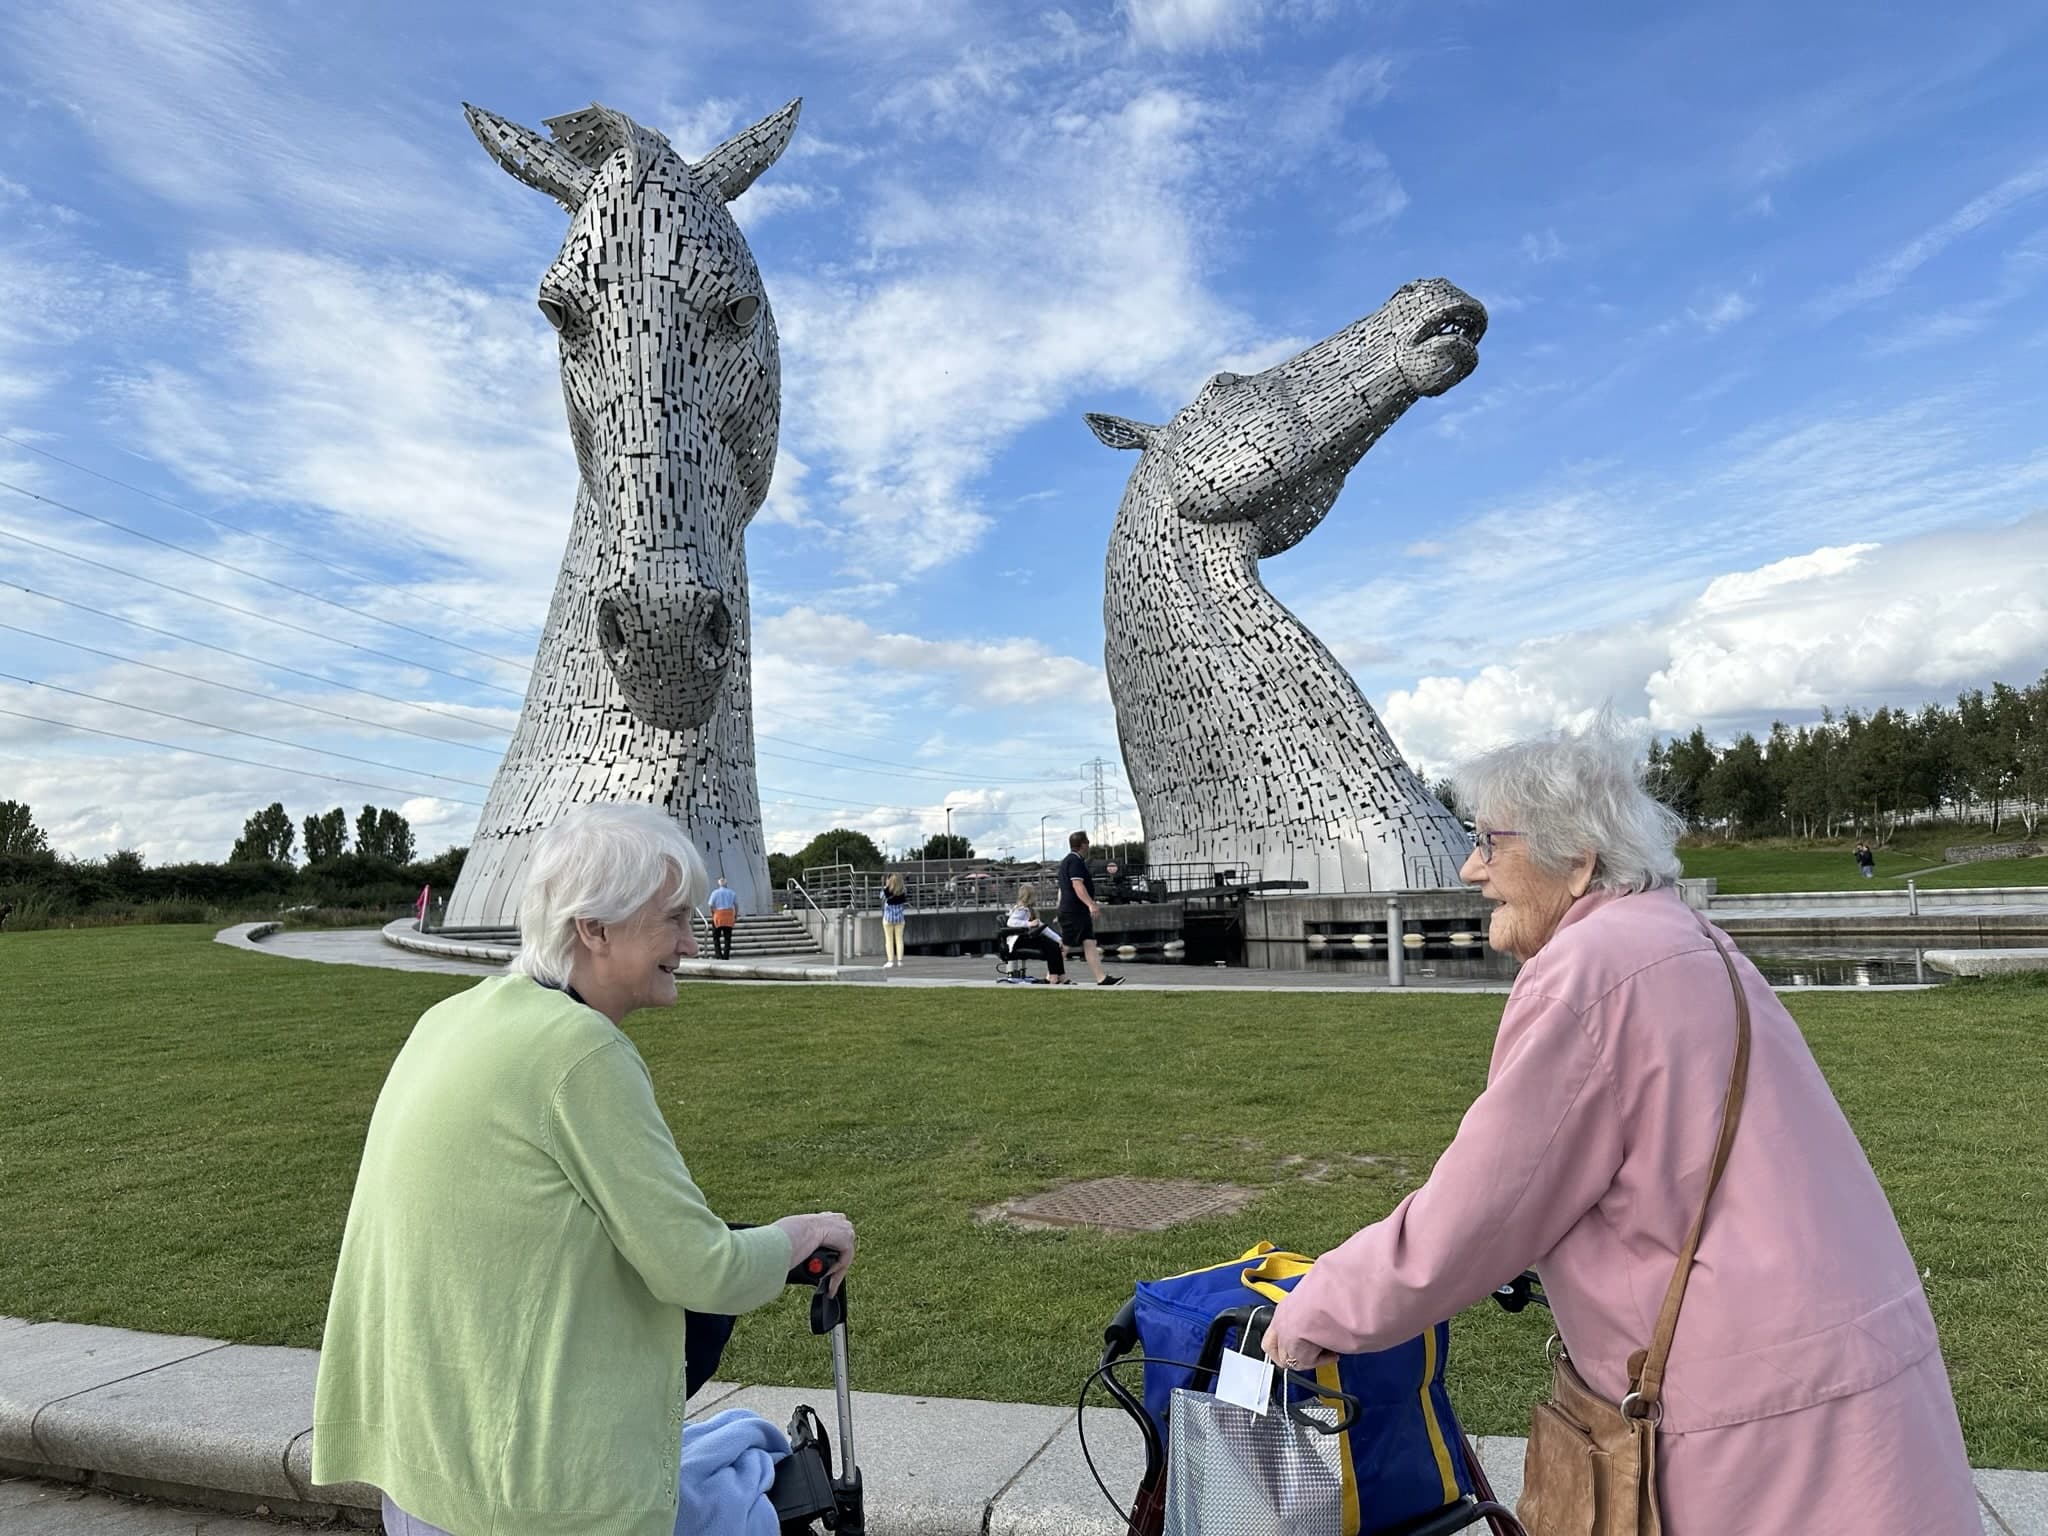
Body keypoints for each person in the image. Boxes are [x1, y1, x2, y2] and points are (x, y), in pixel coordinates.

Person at [1259, 721, 1979, 1535]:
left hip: (1745, 1411)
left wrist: (1314, 1311)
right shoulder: (1686, 935)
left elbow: (1478, 1213)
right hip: (1846, 1361)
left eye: (1490, 842)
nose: (1472, 868)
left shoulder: (1590, 968)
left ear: (1578, 859)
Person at [312, 803, 857, 1536]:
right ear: (592, 928)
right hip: (521, 1496)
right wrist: (806, 1231)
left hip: (421, 1469)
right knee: (746, 1489)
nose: (692, 942)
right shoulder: (581, 1052)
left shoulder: (451, 1019)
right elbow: (700, 1269)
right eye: (673, 919)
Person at [1057, 830, 1122, 985]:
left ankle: (1101, 977)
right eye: (1087, 842)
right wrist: (1091, 904)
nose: (1089, 845)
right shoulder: (1075, 862)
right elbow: (1077, 885)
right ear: (1083, 844)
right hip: (1074, 911)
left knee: (1090, 943)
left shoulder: (1069, 861)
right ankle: (1051, 975)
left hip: (1076, 910)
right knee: (1065, 945)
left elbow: (1063, 889)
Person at [1005, 882, 1070, 983]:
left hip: (1026, 938)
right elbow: (1011, 922)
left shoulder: (1031, 910)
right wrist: (1029, 924)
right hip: (1018, 941)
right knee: (1048, 944)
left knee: (1054, 945)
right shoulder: (1021, 909)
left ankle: (1060, 975)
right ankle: (1054, 976)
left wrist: (1059, 939)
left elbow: (1044, 928)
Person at [880, 872, 908, 969]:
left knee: (889, 940)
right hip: (900, 918)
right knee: (899, 939)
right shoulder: (903, 891)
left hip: (888, 918)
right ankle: (900, 961)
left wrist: (886, 885)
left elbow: (881, 898)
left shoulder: (885, 891)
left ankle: (890, 961)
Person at [708, 873, 739, 959]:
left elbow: (710, 904)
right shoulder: (732, 893)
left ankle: (718, 955)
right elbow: (736, 905)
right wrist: (735, 915)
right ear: (726, 884)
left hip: (718, 915)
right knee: (727, 937)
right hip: (729, 915)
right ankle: (726, 956)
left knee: (716, 937)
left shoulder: (715, 893)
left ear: (719, 884)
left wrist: (712, 913)